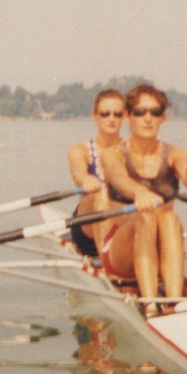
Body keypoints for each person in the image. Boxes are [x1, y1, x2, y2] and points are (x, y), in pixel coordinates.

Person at [99, 84, 187, 314]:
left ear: (163, 117)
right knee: (145, 218)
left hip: (161, 244)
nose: (148, 118)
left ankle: (175, 303)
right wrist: (138, 192)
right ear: (128, 116)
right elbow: (118, 177)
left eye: (155, 112)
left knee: (169, 218)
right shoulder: (113, 154)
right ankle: (151, 305)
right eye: (140, 112)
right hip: (121, 254)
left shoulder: (175, 154)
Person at [66, 88, 126, 259]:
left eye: (117, 114)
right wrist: (86, 180)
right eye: (105, 114)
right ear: (95, 116)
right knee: (100, 193)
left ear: (125, 116)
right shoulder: (80, 151)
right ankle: (107, 263)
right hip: (88, 230)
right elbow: (79, 174)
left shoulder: (132, 150)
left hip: (123, 223)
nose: (111, 119)